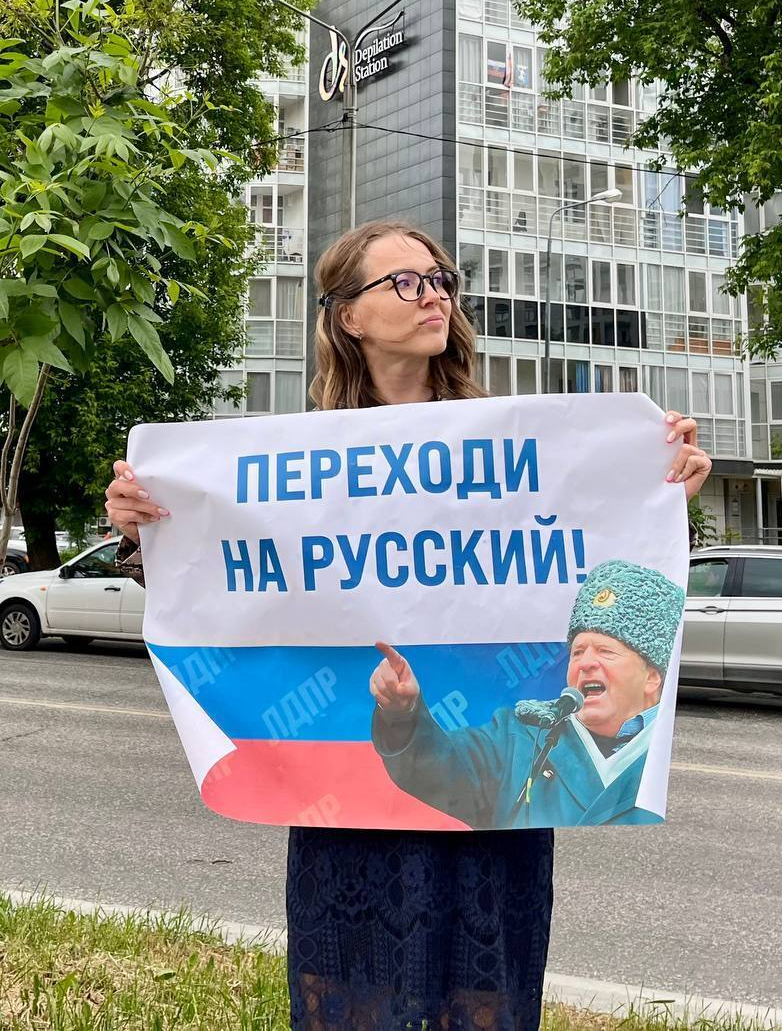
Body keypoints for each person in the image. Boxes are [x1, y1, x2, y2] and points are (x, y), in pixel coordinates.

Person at [103, 219, 711, 1031]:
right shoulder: (282, 463)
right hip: (348, 813)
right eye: (406, 281)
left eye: (440, 280)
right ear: (348, 313)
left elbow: (594, 565)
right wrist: (146, 530)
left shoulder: (525, 448)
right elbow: (231, 586)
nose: (434, 296)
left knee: (483, 997)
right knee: (352, 999)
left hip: (488, 817)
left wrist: (660, 494)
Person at [370, 557, 685, 829]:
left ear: (652, 678)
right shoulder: (519, 738)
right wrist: (401, 714)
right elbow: (436, 768)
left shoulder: (670, 755)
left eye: (606, 651)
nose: (586, 663)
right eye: (577, 652)